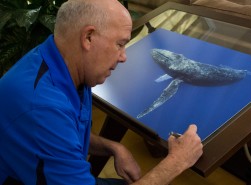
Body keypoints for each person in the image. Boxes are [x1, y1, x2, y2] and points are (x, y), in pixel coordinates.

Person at [0, 0, 203, 184]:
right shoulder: (43, 107)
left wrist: (113, 147)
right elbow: (52, 125)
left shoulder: (64, 63)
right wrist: (177, 161)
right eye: (120, 44)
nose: (124, 57)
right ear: (88, 37)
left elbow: (66, 135)